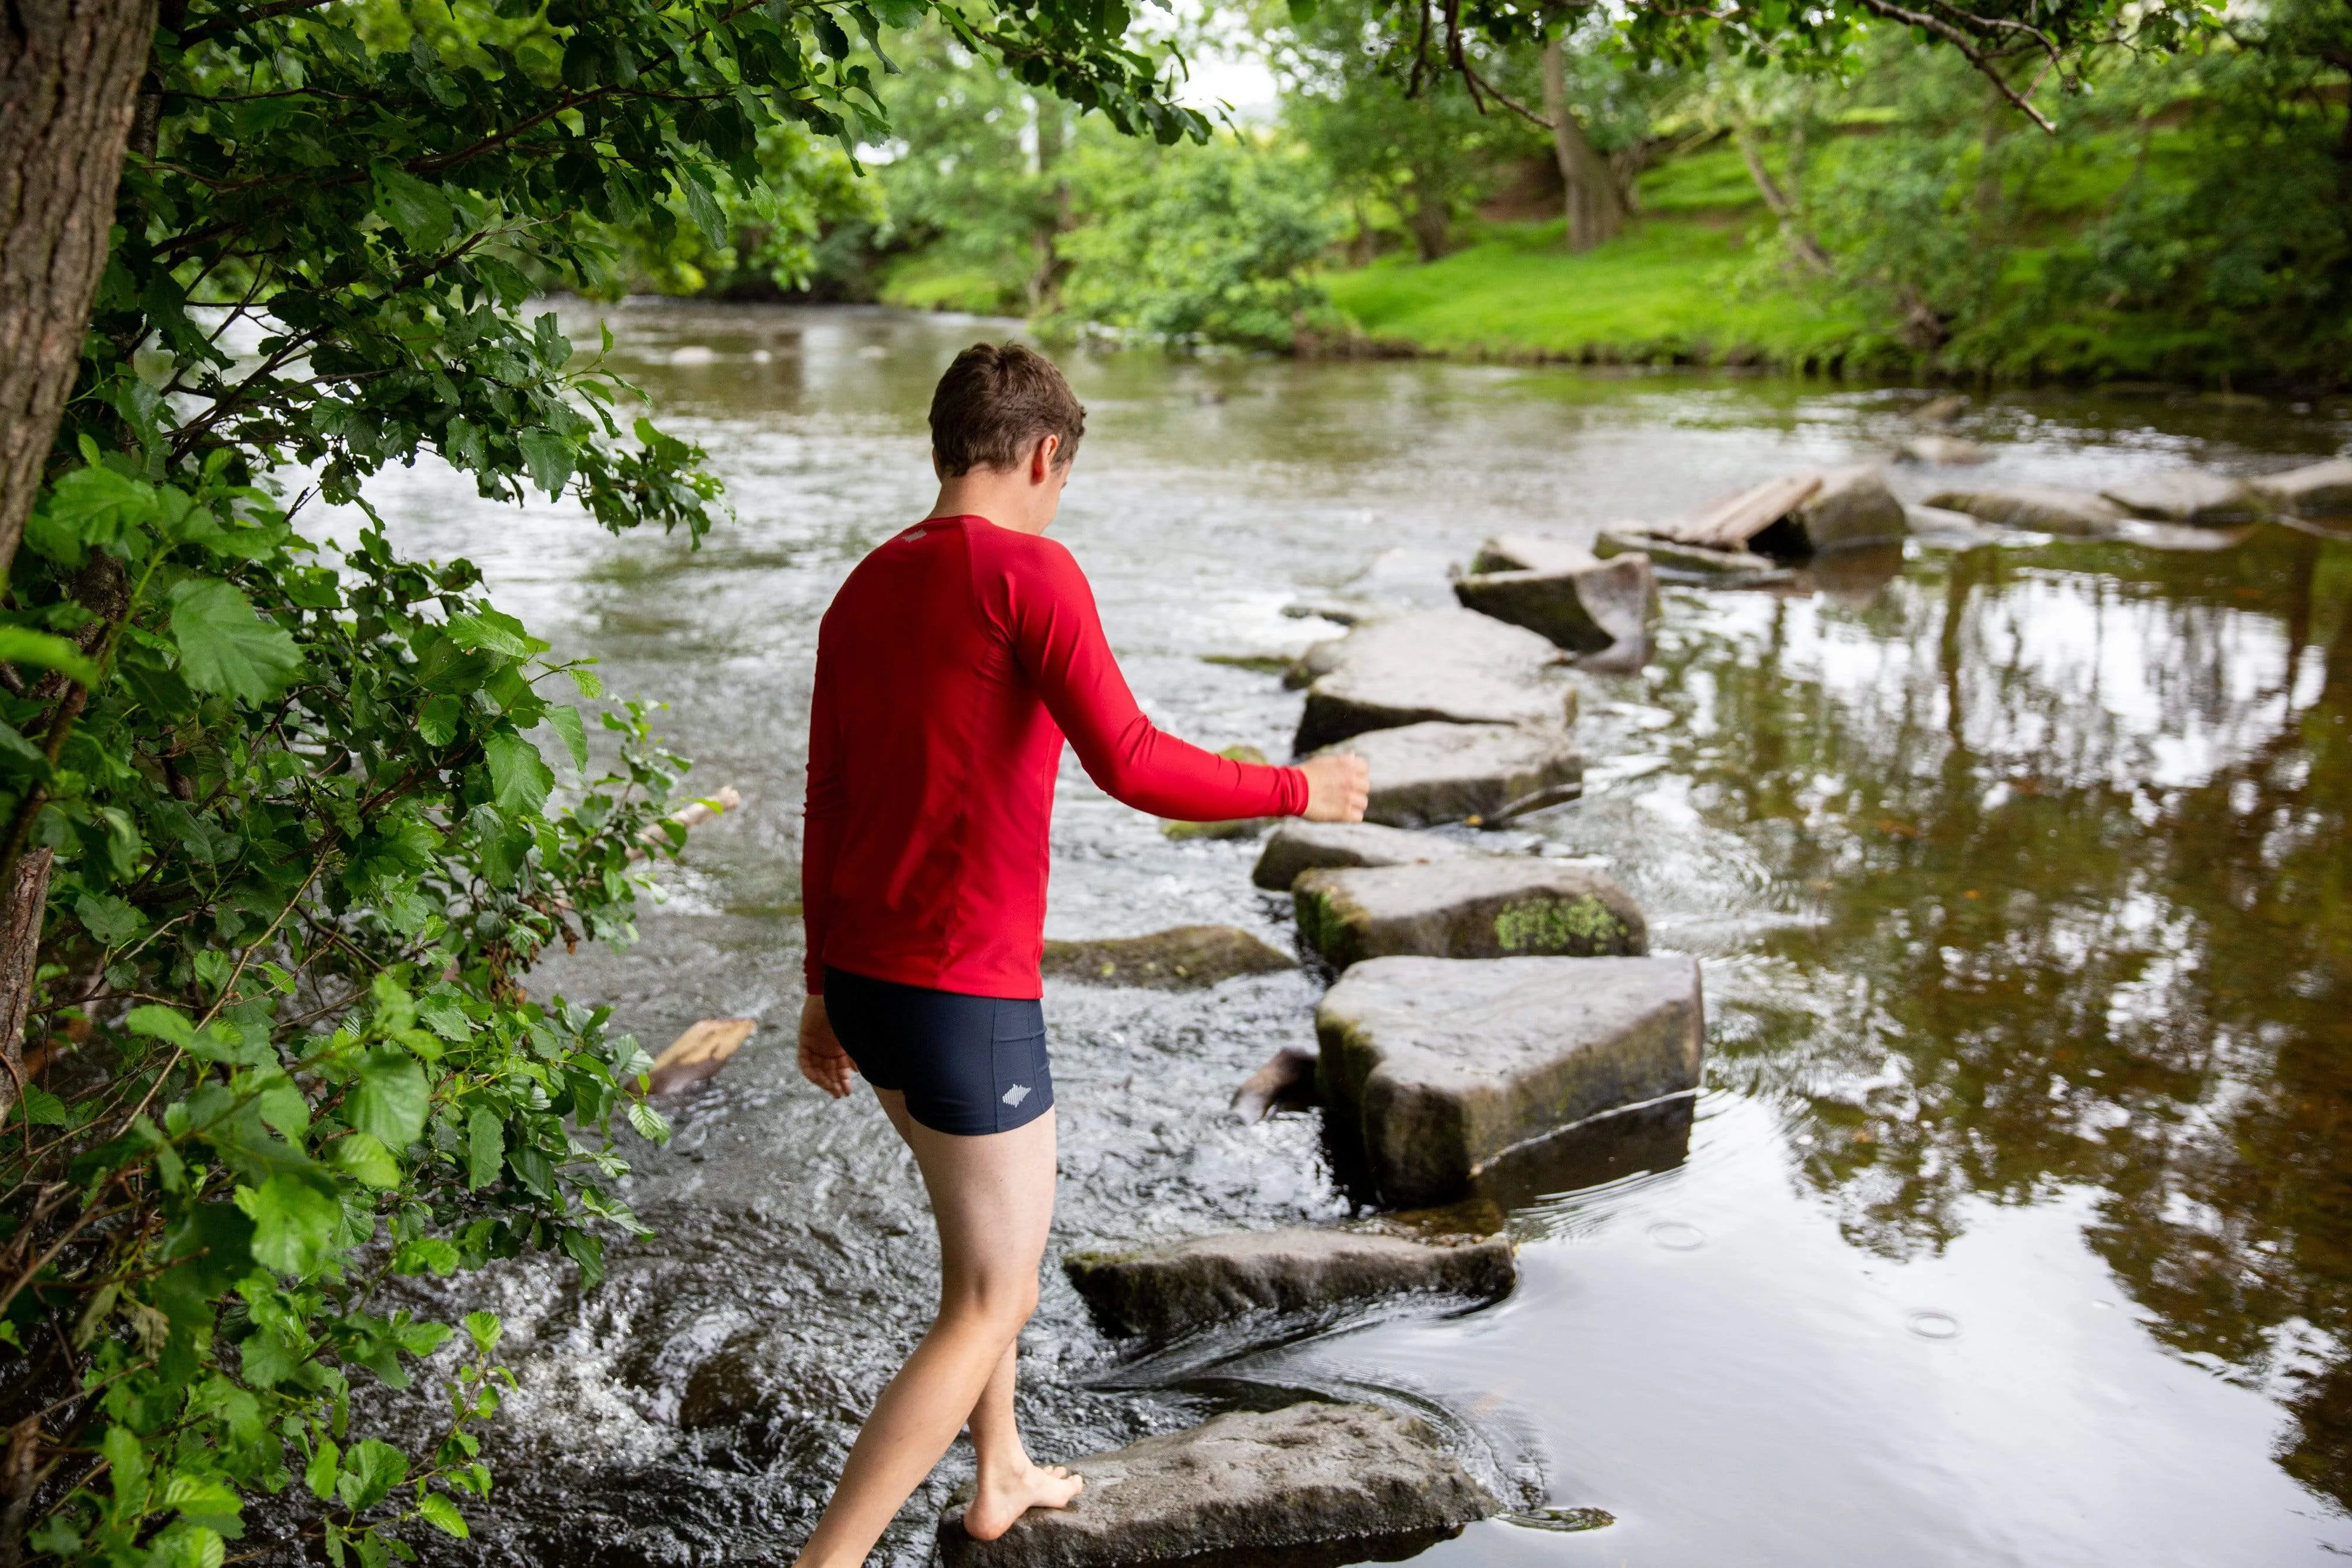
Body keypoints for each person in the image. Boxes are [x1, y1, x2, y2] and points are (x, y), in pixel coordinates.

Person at [791, 343, 1369, 1564]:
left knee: (975, 1260)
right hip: (962, 993)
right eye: (1063, 474)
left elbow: (828, 794)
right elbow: (1131, 758)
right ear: (1044, 453)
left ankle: (998, 1470)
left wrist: (813, 989)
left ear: (946, 442)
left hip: (868, 977)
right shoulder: (1031, 573)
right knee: (997, 1293)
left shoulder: (863, 585)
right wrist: (1297, 788)